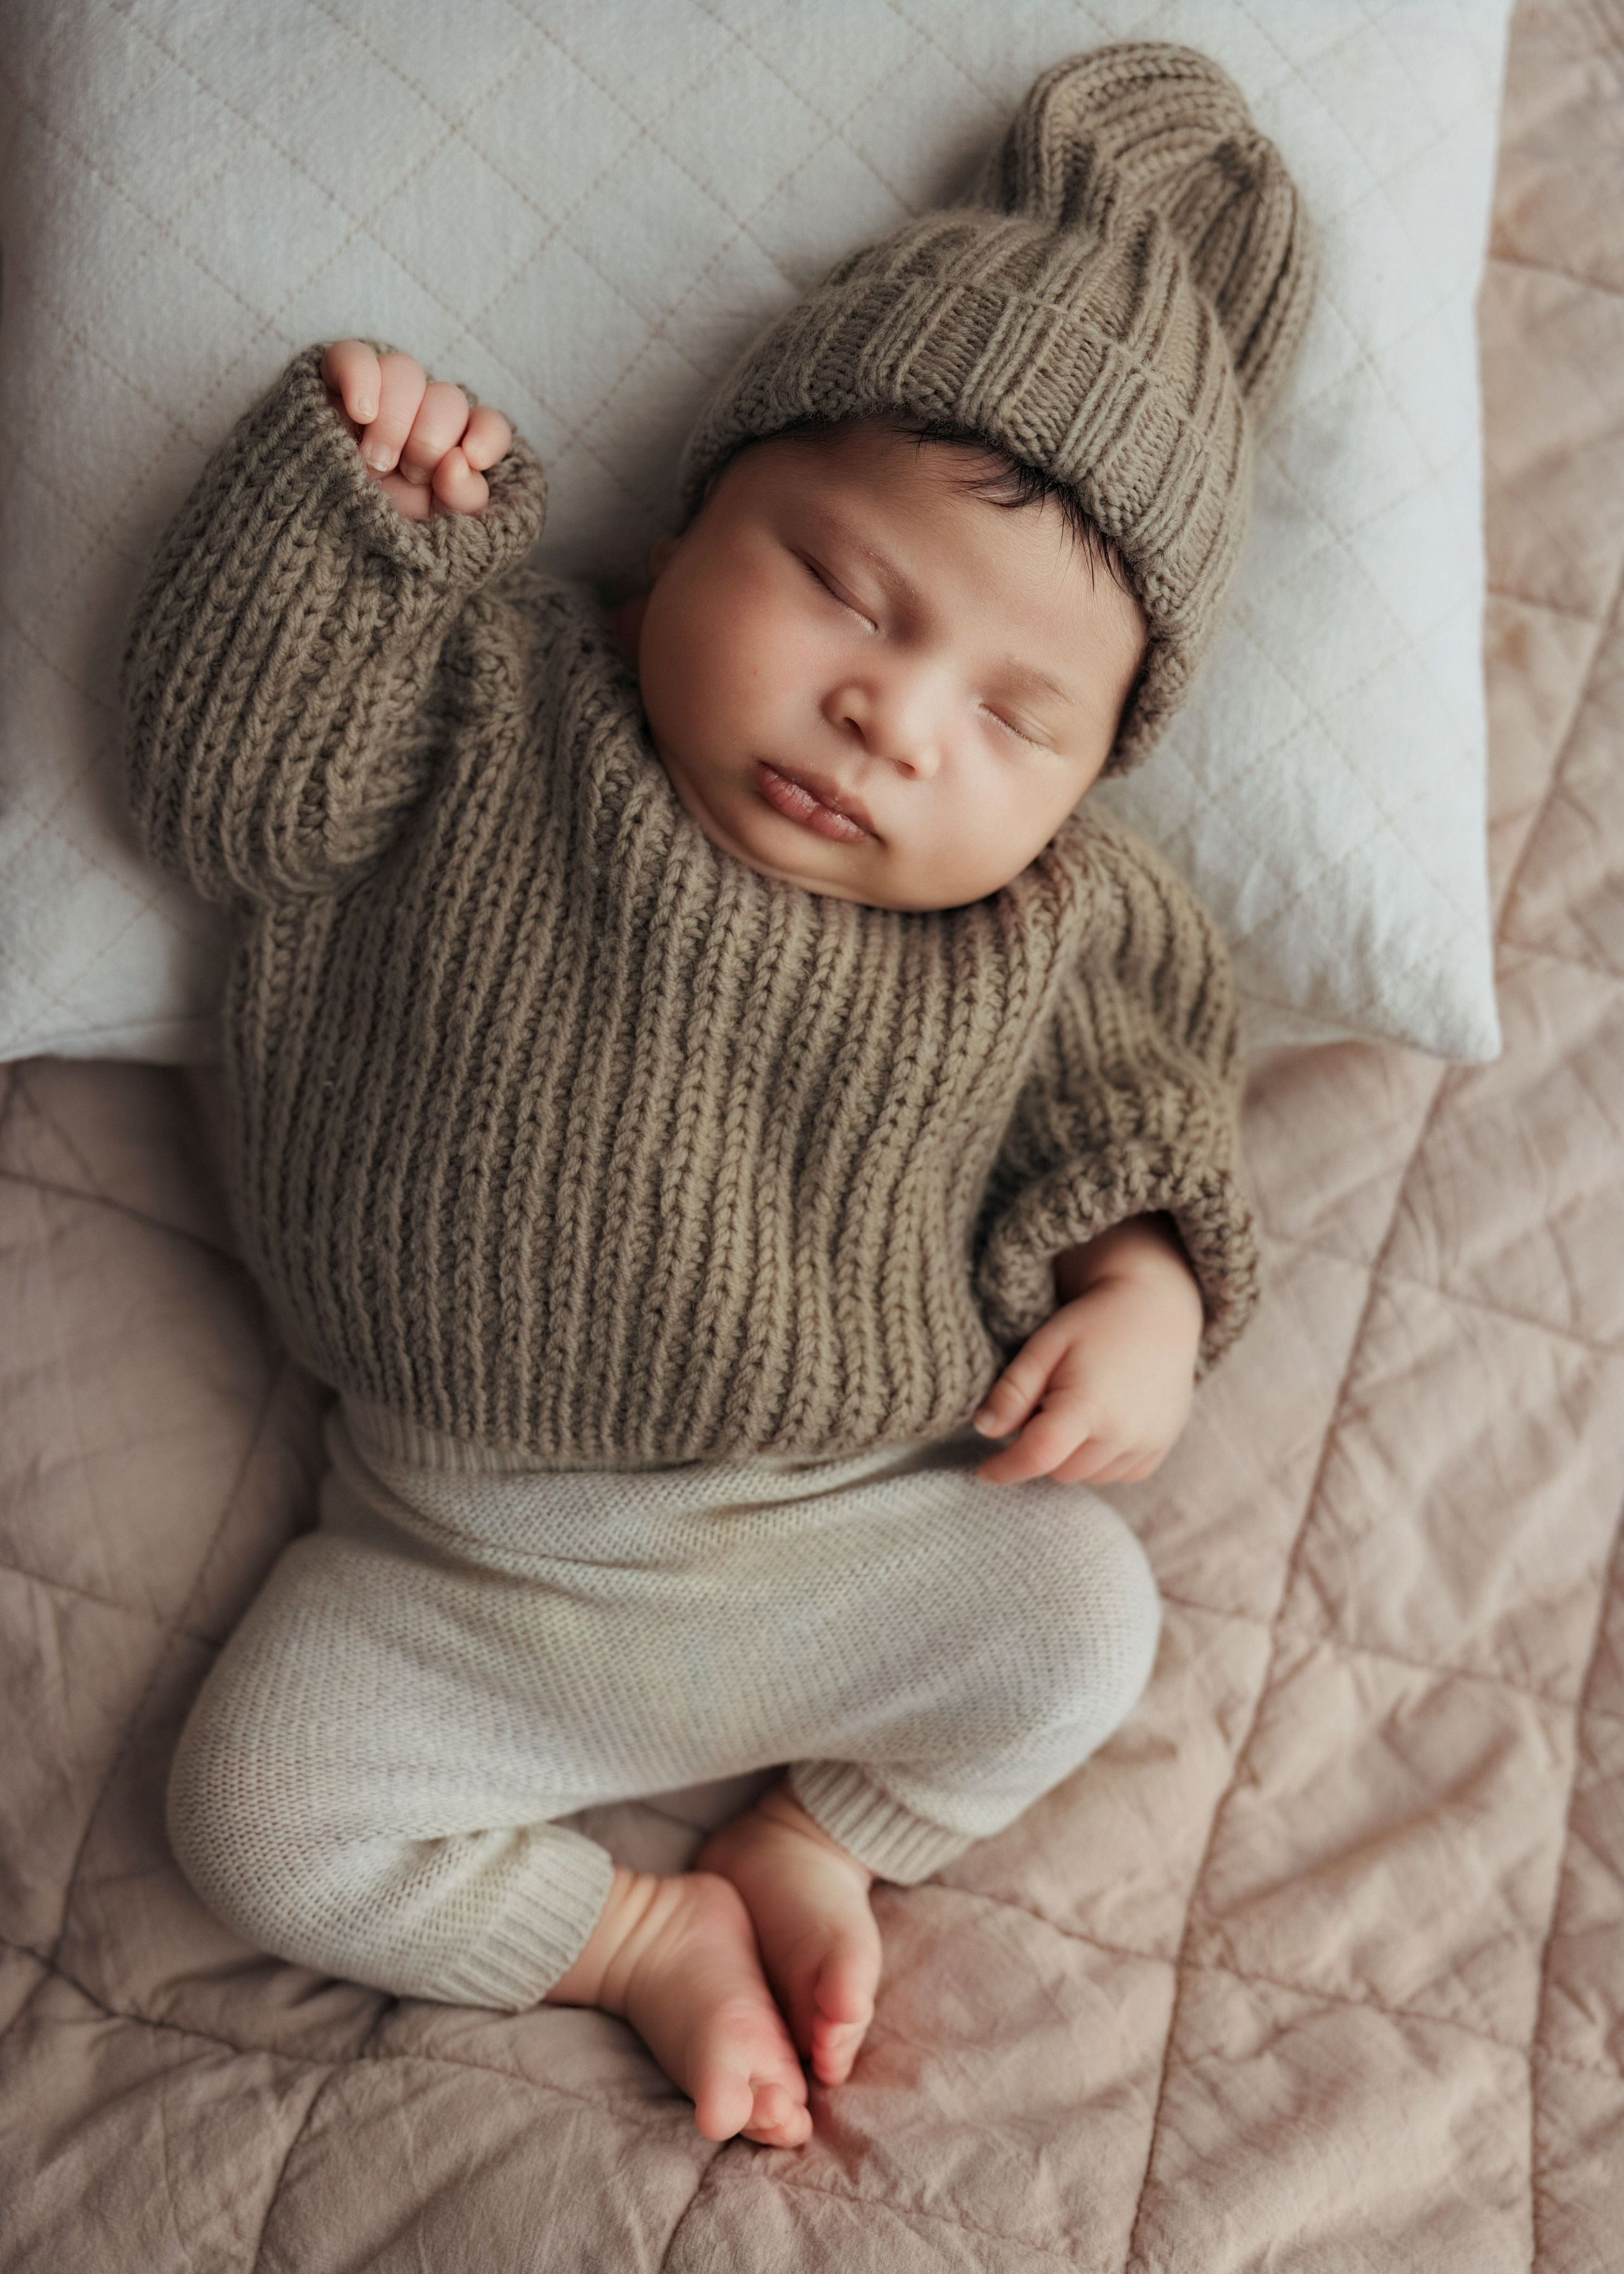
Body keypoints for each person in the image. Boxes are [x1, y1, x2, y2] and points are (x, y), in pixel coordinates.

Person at [122, 44, 1313, 2149]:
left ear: (1087, 781)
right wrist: (348, 521)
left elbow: (1144, 1111)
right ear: (698, 512)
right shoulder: (490, 693)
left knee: (1083, 1622)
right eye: (851, 591)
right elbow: (226, 792)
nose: (892, 713)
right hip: (454, 1551)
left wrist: (1147, 1288)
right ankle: (633, 1934)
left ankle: (820, 1841)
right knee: (254, 1808)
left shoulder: (1055, 925)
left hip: (843, 1529)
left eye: (1017, 718)